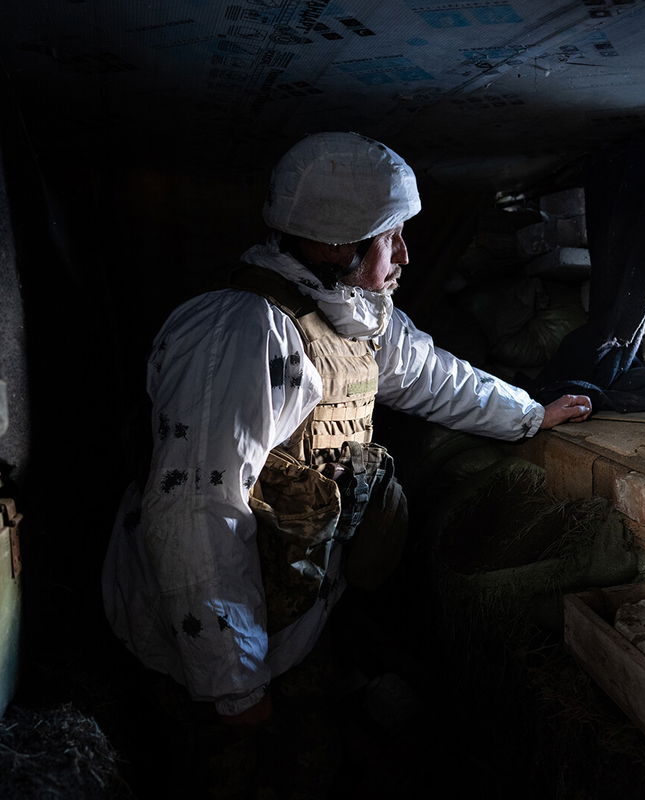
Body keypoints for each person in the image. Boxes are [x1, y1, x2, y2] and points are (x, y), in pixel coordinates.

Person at [100, 132, 592, 734]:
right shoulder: (241, 334)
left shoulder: (351, 317)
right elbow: (199, 512)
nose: (406, 255)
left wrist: (529, 415)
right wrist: (233, 685)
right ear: (336, 244)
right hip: (198, 650)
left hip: (295, 611)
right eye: (391, 237)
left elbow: (432, 376)